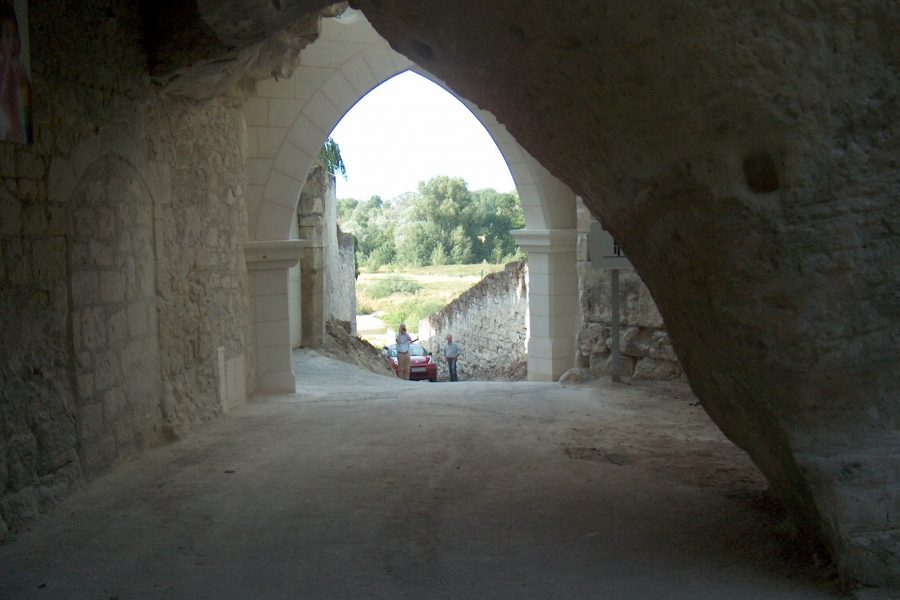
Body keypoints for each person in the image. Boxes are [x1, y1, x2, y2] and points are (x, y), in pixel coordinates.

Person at [0, 2, 31, 144]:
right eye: (7, 36)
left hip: (21, 135)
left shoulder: (21, 71)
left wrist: (22, 84)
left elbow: (26, 110)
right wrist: (6, 63)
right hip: (9, 135)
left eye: (15, 35)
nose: (12, 41)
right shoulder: (2, 70)